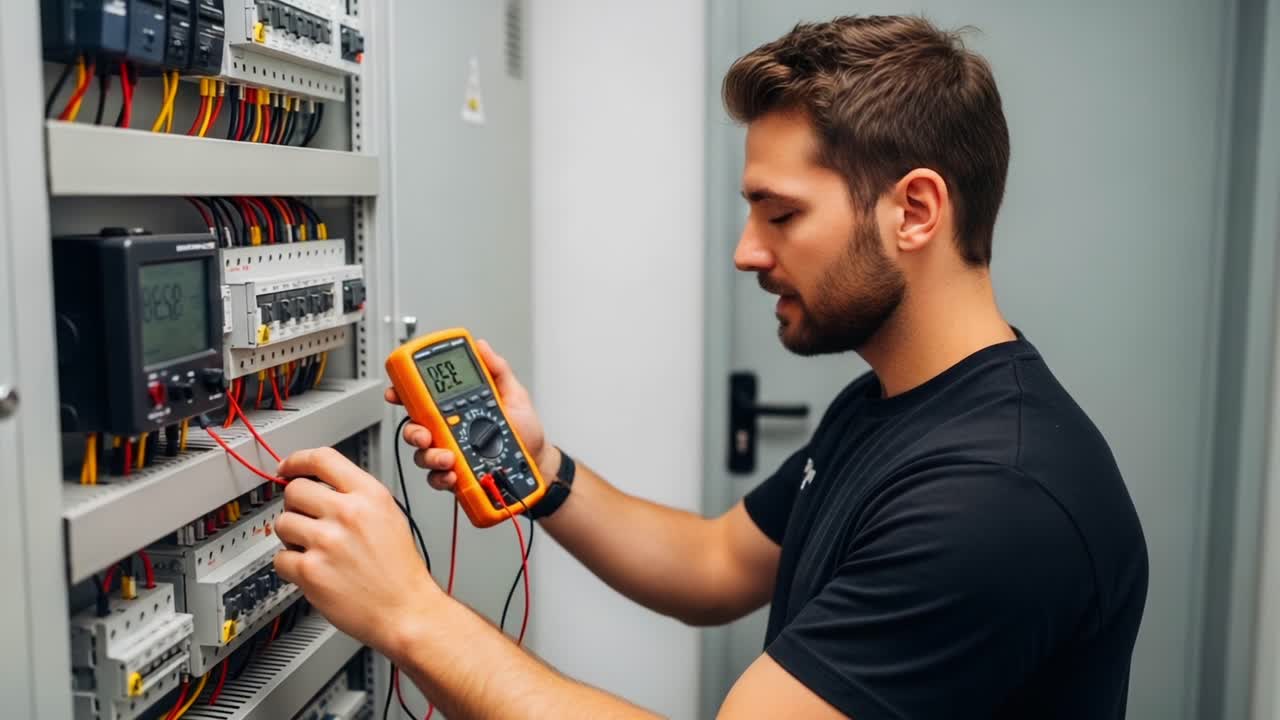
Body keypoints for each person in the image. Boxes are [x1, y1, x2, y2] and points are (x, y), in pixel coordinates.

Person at [271, 14, 1148, 719]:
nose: (744, 252)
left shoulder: (996, 500)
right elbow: (715, 562)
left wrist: (410, 613)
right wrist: (541, 473)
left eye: (781, 214)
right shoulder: (893, 405)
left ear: (914, 209)